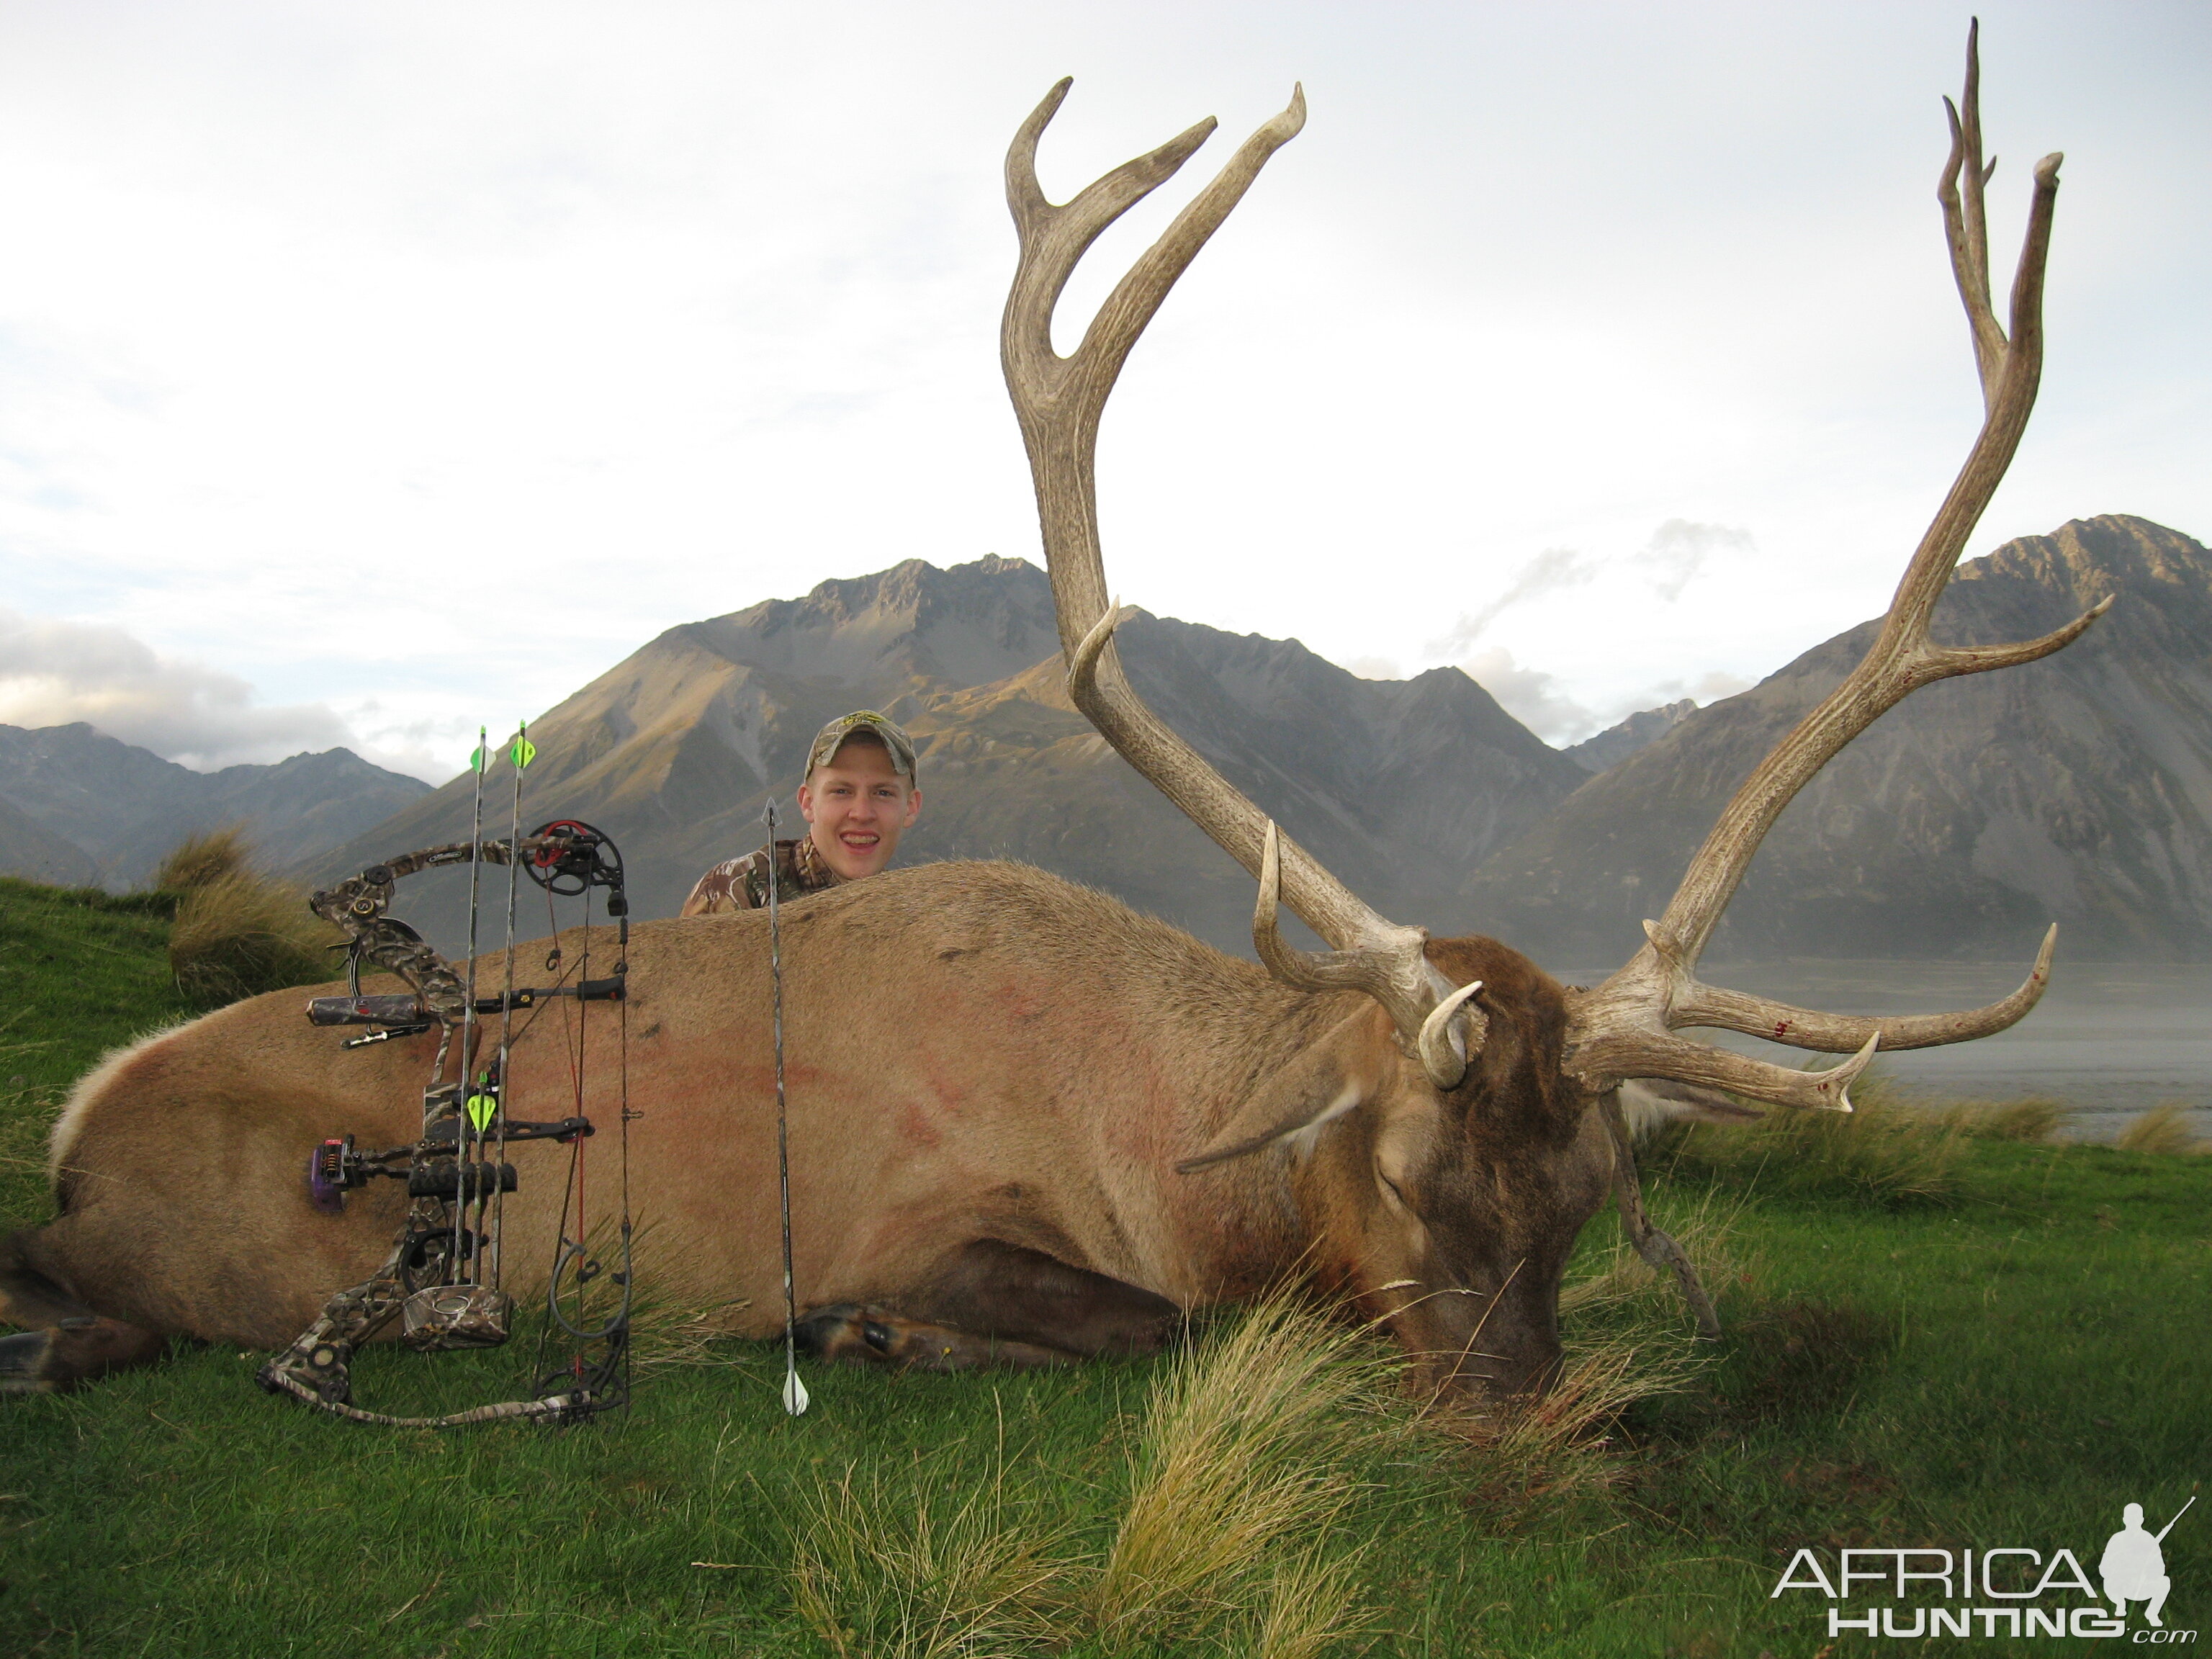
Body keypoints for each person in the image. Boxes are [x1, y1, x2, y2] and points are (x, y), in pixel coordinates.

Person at [679, 710, 922, 915]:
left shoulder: (912, 910)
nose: (861, 813)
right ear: (807, 802)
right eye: (841, 791)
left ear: (911, 807)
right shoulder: (738, 890)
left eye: (883, 793)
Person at [2100, 1502, 2173, 1627]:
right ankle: (2120, 1605)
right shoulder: (2117, 1539)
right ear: (2124, 1520)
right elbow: (2104, 1568)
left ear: (2142, 1520)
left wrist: (2147, 1568)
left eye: (2136, 1518)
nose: (2133, 1521)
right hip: (2120, 1585)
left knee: (2164, 1582)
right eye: (2130, 1518)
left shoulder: (2149, 1539)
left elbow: (2160, 1569)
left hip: (2142, 1585)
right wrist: (2122, 1569)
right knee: (2110, 1581)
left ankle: (2152, 1613)